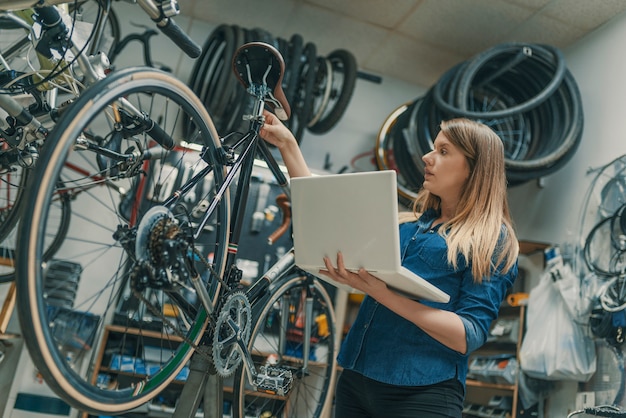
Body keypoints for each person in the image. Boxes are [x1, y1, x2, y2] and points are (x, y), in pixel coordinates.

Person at [260, 110, 519, 418]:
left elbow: (468, 334)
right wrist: (288, 145)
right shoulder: (408, 225)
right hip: (357, 380)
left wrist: (384, 294)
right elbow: (328, 214)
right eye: (433, 148)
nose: (427, 157)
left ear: (473, 169)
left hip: (422, 392)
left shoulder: (493, 239)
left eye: (443, 151)